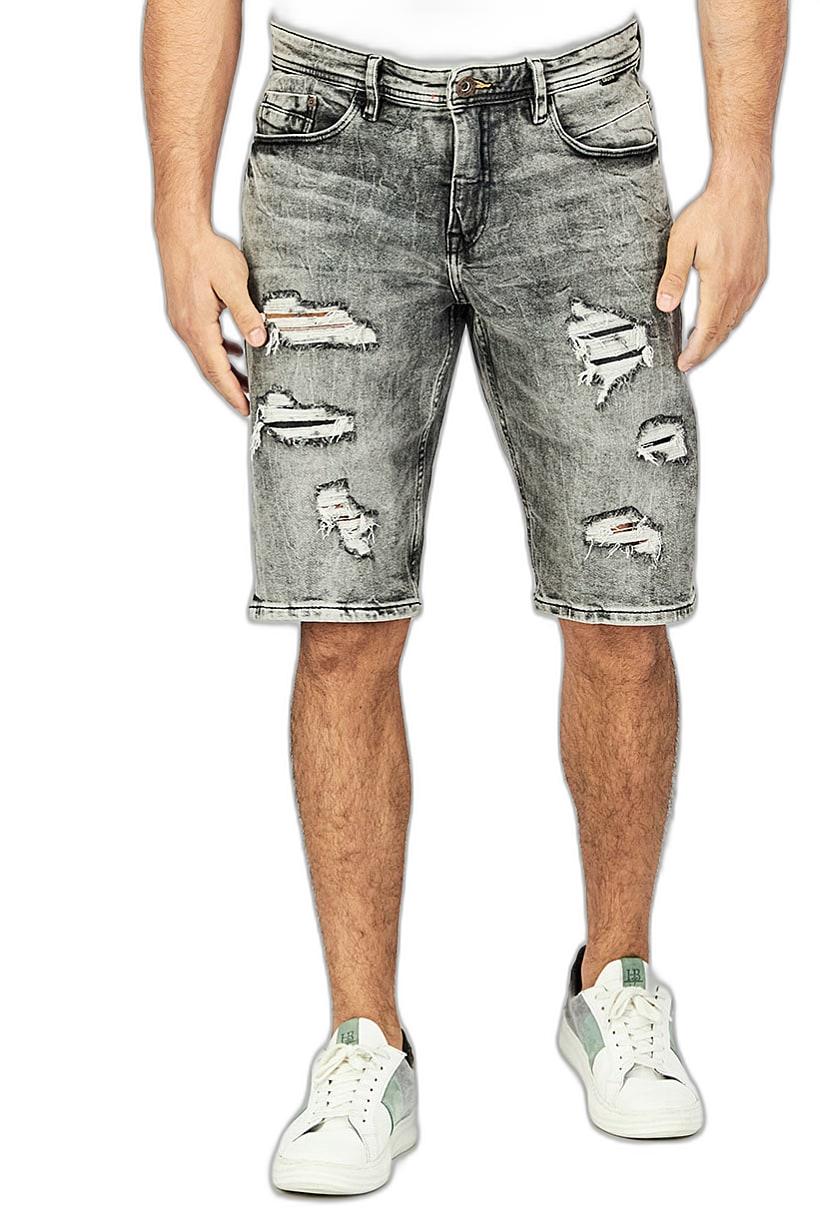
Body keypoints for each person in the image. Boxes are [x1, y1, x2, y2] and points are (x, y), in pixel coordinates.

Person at [143, 0, 787, 1193]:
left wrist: (744, 166)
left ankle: (616, 984)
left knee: (620, 605)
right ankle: (364, 1046)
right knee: (339, 623)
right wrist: (176, 214)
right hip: (328, 146)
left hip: (580, 139)